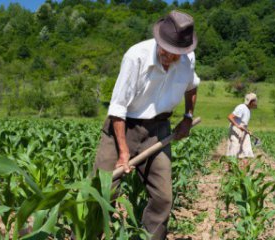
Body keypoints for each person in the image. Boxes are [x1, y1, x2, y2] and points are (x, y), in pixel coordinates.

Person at [93, 10, 199, 239]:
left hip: (158, 130)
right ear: (159, 41)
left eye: (177, 54)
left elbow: (192, 86)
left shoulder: (187, 60)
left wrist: (188, 117)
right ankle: (84, 235)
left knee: (163, 198)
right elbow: (118, 108)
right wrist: (123, 152)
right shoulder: (136, 57)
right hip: (122, 128)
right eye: (168, 51)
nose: (171, 58)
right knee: (102, 192)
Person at [226, 93, 257, 161]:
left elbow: (243, 123)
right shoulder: (241, 107)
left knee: (246, 151)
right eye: (255, 101)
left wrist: (248, 130)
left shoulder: (249, 110)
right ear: (251, 102)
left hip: (243, 130)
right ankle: (230, 169)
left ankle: (243, 170)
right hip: (235, 129)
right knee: (234, 149)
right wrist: (237, 126)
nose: (256, 103)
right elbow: (230, 117)